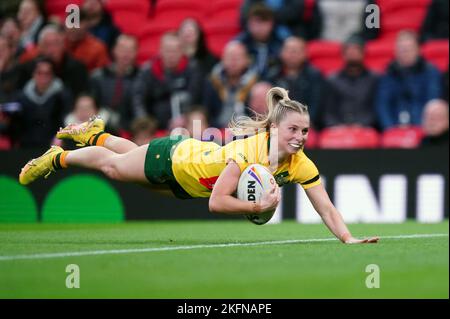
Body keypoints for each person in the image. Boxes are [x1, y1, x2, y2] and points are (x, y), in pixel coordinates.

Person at [18, 86, 379, 244]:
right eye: (293, 129)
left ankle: (95, 135)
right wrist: (258, 206)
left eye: (305, 130)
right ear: (273, 128)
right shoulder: (252, 151)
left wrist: (348, 239)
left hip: (185, 183)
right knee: (114, 169)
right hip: (176, 159)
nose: (300, 137)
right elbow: (217, 202)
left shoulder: (300, 163)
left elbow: (326, 207)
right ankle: (59, 157)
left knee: (125, 161)